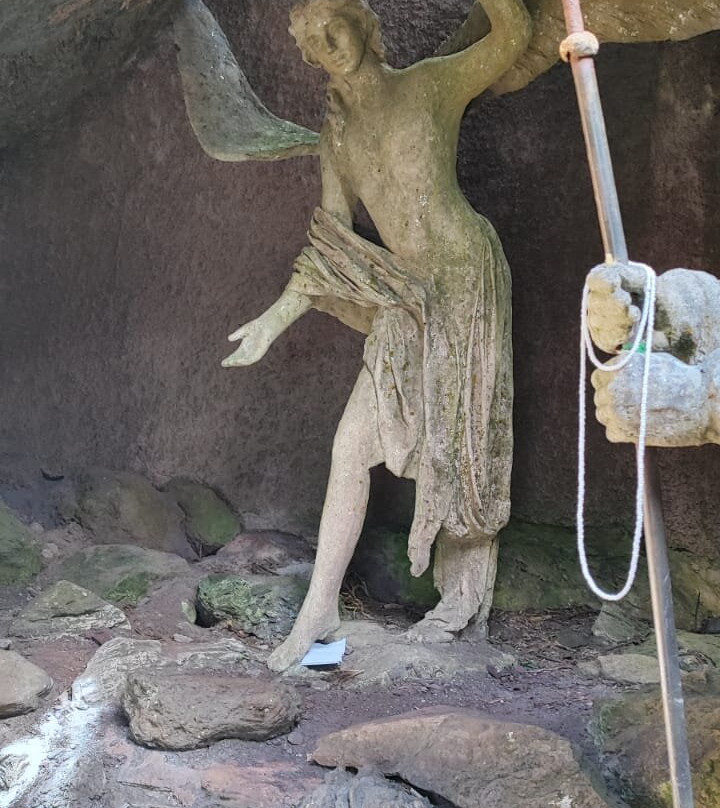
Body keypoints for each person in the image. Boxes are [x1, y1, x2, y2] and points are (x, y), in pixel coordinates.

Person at [221, 0, 532, 671]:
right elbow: (332, 249)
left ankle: (462, 602)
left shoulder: (429, 85)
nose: (323, 44)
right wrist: (272, 324)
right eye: (308, 39)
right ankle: (319, 610)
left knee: (463, 442)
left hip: (464, 281)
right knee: (348, 446)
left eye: (332, 24)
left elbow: (515, 36)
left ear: (363, 23)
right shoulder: (337, 137)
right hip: (403, 297)